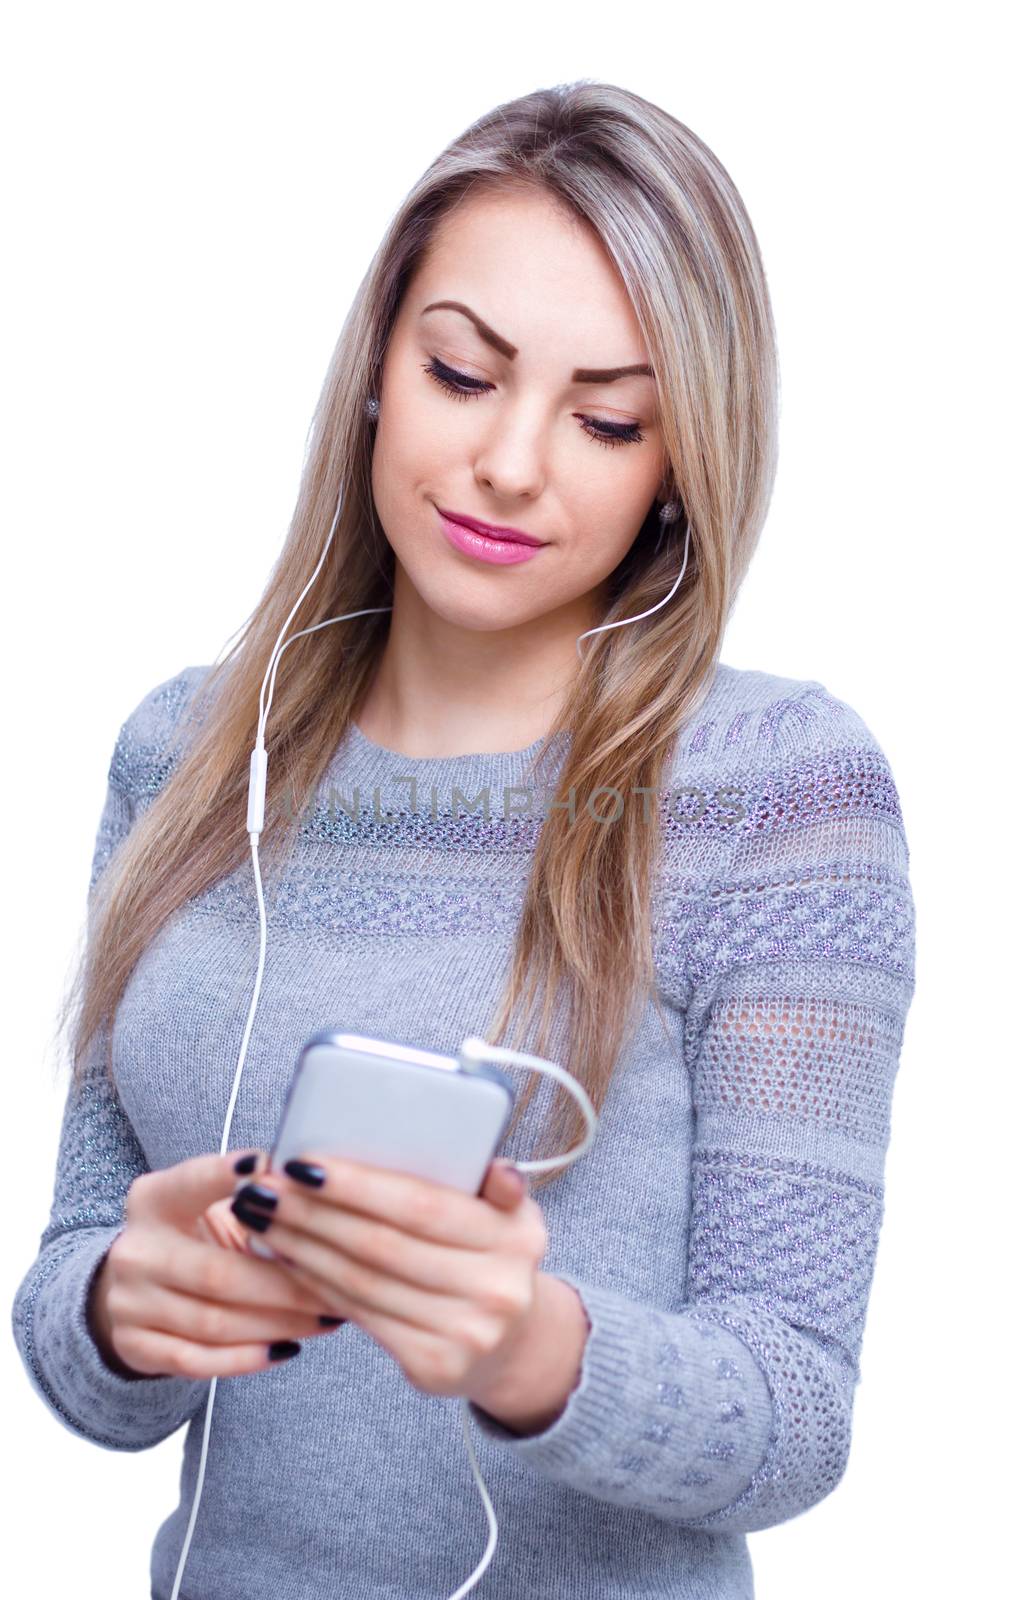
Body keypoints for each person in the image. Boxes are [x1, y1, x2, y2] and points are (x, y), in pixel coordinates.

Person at [11, 79, 916, 1600]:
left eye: (606, 416)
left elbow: (793, 1416)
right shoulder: (184, 755)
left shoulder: (780, 790)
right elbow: (79, 1323)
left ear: (679, 458)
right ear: (379, 366)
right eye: (460, 373)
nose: (511, 463)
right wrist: (116, 1306)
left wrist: (524, 1345)